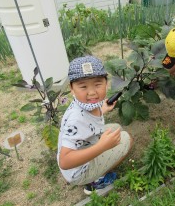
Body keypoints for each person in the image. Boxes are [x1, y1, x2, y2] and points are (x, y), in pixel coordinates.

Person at [57, 55, 133, 195]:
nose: (92, 92)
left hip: (83, 148)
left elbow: (88, 119)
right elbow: (65, 161)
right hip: (78, 170)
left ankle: (98, 166)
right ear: (72, 89)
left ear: (106, 83)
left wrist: (102, 109)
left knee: (115, 128)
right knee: (126, 139)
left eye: (97, 84)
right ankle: (96, 181)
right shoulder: (76, 120)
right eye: (83, 86)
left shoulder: (83, 105)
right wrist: (102, 146)